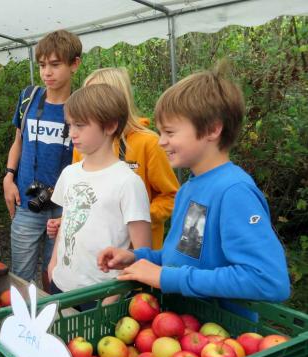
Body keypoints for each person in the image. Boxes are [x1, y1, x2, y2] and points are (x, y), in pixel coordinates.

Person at [97, 63, 291, 320]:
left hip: (225, 341)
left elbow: (268, 280)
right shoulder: (189, 188)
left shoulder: (234, 191)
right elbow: (184, 257)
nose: (161, 141)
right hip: (183, 330)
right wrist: (136, 256)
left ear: (212, 129)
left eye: (169, 132)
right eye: (160, 132)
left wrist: (166, 277)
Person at [48, 68, 179, 249]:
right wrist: (65, 219)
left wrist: (135, 218)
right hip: (93, 254)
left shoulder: (148, 143)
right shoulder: (84, 145)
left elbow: (171, 196)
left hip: (134, 253)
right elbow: (78, 193)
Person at [47, 84, 151, 299]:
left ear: (110, 125)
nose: (72, 133)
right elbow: (67, 223)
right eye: (70, 125)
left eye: (80, 125)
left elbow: (143, 252)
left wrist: (112, 297)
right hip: (61, 286)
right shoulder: (69, 173)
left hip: (100, 294)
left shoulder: (128, 182)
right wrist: (53, 265)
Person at [3, 30, 81, 286]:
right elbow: (18, 141)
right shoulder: (29, 97)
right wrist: (8, 177)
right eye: (42, 65)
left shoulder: (83, 106)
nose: (47, 72)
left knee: (56, 276)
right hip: (27, 202)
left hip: (64, 208)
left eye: (55, 64)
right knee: (20, 277)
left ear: (74, 64)